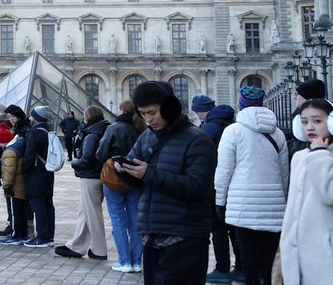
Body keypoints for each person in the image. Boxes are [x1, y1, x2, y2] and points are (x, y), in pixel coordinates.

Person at [115, 80, 216, 284]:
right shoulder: (147, 137)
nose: (148, 119)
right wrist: (124, 171)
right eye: (143, 114)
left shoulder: (198, 140)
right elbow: (142, 183)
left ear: (170, 108)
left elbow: (197, 187)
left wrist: (149, 174)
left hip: (184, 237)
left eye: (152, 112)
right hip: (152, 236)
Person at [213, 86, 286, 285]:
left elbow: (224, 171)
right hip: (273, 204)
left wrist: (219, 200)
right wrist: (284, 200)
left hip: (243, 204)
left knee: (247, 254)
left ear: (241, 104)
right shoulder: (278, 133)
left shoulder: (233, 131)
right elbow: (284, 173)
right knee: (269, 255)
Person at [280, 97, 333, 284]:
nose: (310, 127)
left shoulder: (324, 157)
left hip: (326, 256)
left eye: (317, 121)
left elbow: (329, 193)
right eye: (304, 122)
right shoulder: (300, 157)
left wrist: (320, 154)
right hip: (298, 254)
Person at [194, 93, 241, 283]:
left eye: (198, 112)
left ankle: (222, 269)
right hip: (236, 184)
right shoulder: (234, 126)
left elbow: (201, 157)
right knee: (235, 229)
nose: (197, 116)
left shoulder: (208, 129)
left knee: (218, 229)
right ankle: (241, 267)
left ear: (202, 111)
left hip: (215, 184)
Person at [56, 105, 109, 260]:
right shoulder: (103, 128)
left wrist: (74, 163)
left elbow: (87, 159)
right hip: (98, 175)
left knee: (93, 213)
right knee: (85, 211)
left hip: (91, 176)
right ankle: (77, 245)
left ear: (88, 117)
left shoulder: (93, 134)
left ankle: (100, 250)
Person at [97, 100, 144, 273]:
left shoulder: (115, 128)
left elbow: (100, 153)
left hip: (114, 178)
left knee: (118, 220)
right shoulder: (142, 129)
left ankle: (124, 261)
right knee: (134, 221)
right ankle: (136, 262)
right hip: (135, 179)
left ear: (122, 109)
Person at [21, 105, 57, 247]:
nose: (29, 118)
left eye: (32, 116)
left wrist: (24, 170)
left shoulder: (34, 132)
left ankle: (41, 237)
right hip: (48, 172)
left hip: (36, 174)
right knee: (48, 204)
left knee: (38, 206)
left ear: (36, 118)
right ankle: (49, 236)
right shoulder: (47, 130)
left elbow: (29, 155)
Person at [0, 105, 31, 245]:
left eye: (12, 117)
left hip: (17, 175)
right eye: (9, 117)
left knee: (16, 208)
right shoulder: (19, 129)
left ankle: (17, 234)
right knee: (19, 207)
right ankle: (21, 233)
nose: (10, 119)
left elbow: (14, 158)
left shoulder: (23, 132)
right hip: (19, 174)